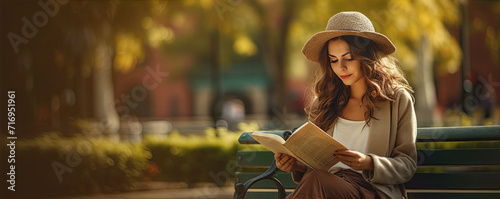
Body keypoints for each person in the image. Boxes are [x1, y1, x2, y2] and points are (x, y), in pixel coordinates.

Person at [274, 11, 417, 199]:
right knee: (318, 180)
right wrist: (296, 165)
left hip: (371, 191)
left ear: (367, 56)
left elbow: (407, 164)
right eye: (333, 60)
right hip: (326, 187)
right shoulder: (325, 103)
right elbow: (316, 163)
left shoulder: (397, 100)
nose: (340, 67)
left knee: (317, 181)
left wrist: (370, 163)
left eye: (348, 58)